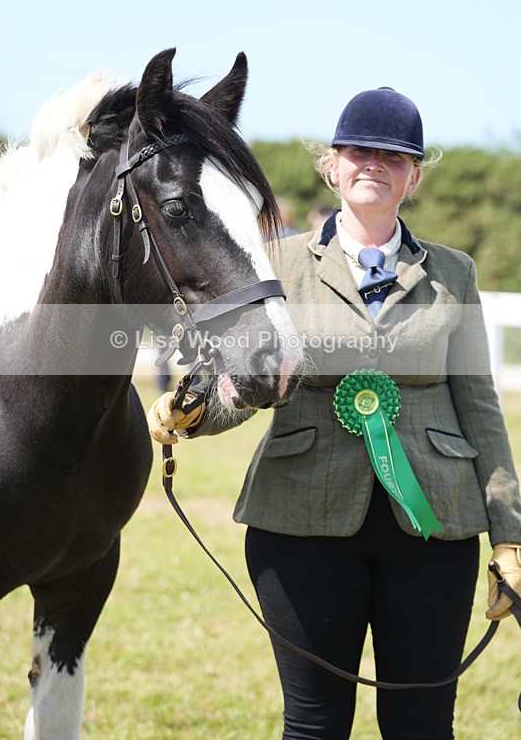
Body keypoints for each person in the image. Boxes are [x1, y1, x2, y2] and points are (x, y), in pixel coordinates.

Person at [147, 86, 521, 740]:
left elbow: (480, 407)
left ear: (413, 174)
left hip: (435, 531)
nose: (373, 164)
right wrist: (192, 414)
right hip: (299, 522)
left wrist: (509, 534)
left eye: (393, 155)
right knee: (314, 725)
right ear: (332, 163)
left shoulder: (453, 274)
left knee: (422, 723)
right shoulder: (275, 265)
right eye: (358, 151)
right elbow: (245, 379)